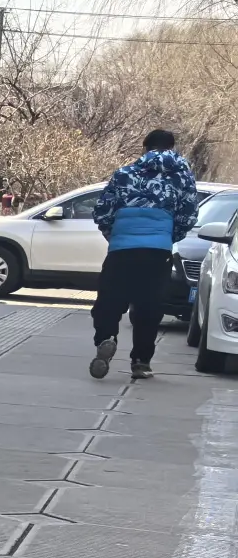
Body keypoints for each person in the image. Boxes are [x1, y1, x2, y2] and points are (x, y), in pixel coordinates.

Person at [89, 129, 198, 379]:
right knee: (150, 305)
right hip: (157, 251)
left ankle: (106, 338)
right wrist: (168, 236)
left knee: (109, 300)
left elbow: (102, 211)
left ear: (145, 148)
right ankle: (141, 361)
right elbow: (188, 215)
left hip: (122, 249)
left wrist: (114, 235)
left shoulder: (125, 173)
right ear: (172, 147)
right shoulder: (182, 177)